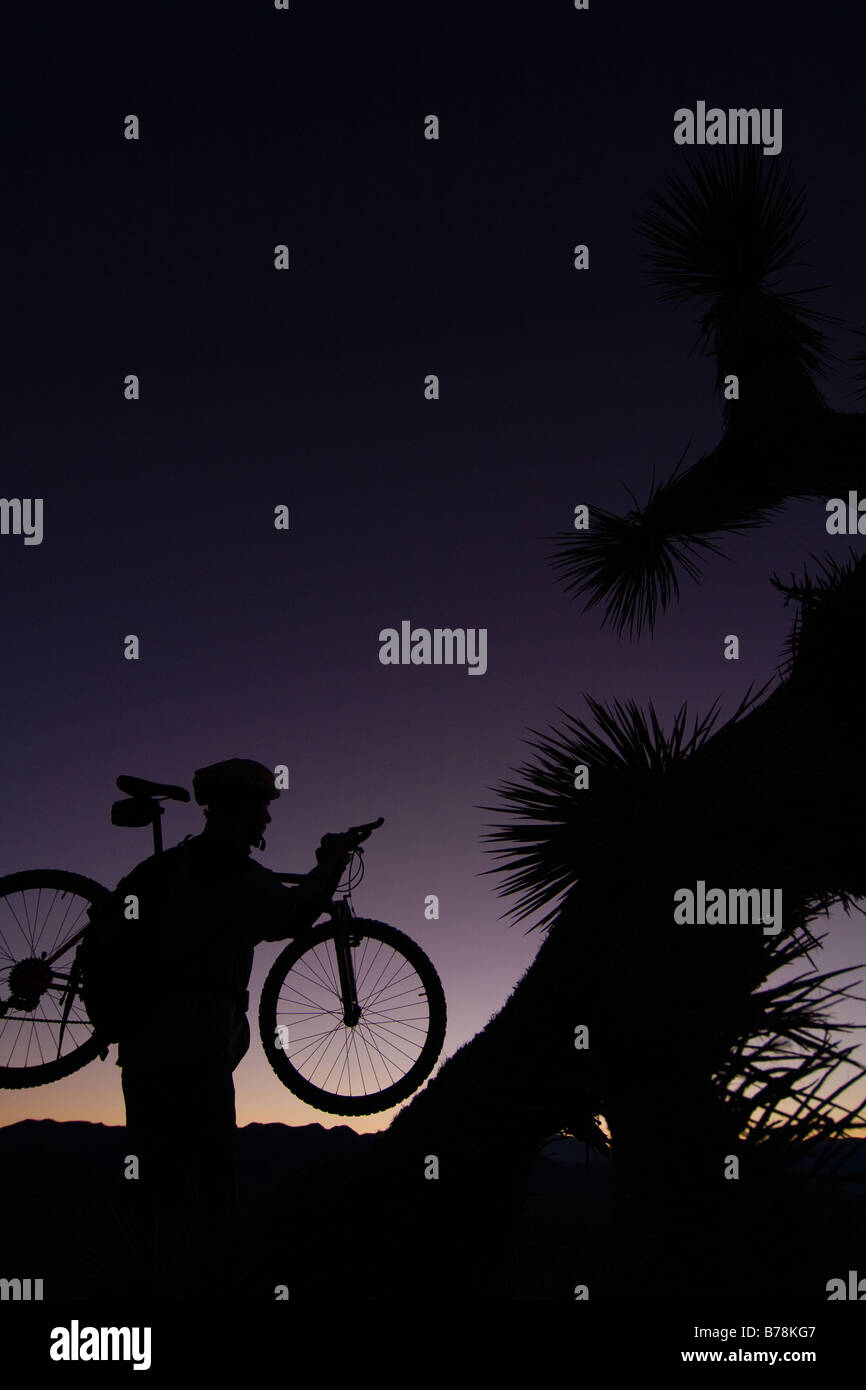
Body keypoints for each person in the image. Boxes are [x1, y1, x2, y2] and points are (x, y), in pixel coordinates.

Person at [116, 758, 358, 1299]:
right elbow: (290, 914)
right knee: (209, 1197)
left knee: (154, 1188)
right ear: (240, 807)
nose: (267, 820)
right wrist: (331, 865)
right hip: (193, 1053)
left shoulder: (181, 865)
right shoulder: (226, 867)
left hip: (145, 1049)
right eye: (263, 807)